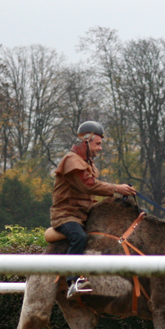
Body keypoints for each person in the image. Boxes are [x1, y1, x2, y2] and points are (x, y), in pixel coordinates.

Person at [50, 121, 137, 298]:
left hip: (84, 215)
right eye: (97, 144)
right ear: (85, 141)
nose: (100, 148)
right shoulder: (71, 160)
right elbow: (88, 186)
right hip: (66, 216)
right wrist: (116, 188)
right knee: (79, 236)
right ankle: (73, 281)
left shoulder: (84, 162)